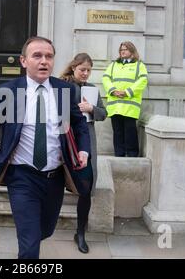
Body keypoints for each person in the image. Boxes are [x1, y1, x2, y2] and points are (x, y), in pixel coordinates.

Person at [0, 36, 91, 259]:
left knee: (45, 230)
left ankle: (31, 237)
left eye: (49, 56)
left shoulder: (64, 90)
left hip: (55, 176)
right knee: (30, 246)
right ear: (23, 61)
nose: (44, 61)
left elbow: (80, 124)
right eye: (37, 56)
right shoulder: (9, 91)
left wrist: (83, 150)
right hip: (21, 176)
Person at [60, 53, 107, 253]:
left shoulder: (92, 89)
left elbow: (104, 114)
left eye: (88, 70)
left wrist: (92, 108)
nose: (86, 73)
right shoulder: (62, 86)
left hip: (87, 140)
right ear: (73, 68)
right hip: (64, 138)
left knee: (86, 188)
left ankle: (80, 232)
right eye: (82, 70)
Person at [102, 41, 148, 157]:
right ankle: (119, 154)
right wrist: (113, 90)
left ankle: (132, 155)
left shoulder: (139, 65)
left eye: (125, 49)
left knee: (130, 132)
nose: (122, 51)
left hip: (130, 106)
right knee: (117, 132)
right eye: (121, 49)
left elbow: (142, 81)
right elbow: (106, 78)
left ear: (132, 51)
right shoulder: (113, 65)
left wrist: (127, 92)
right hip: (115, 105)